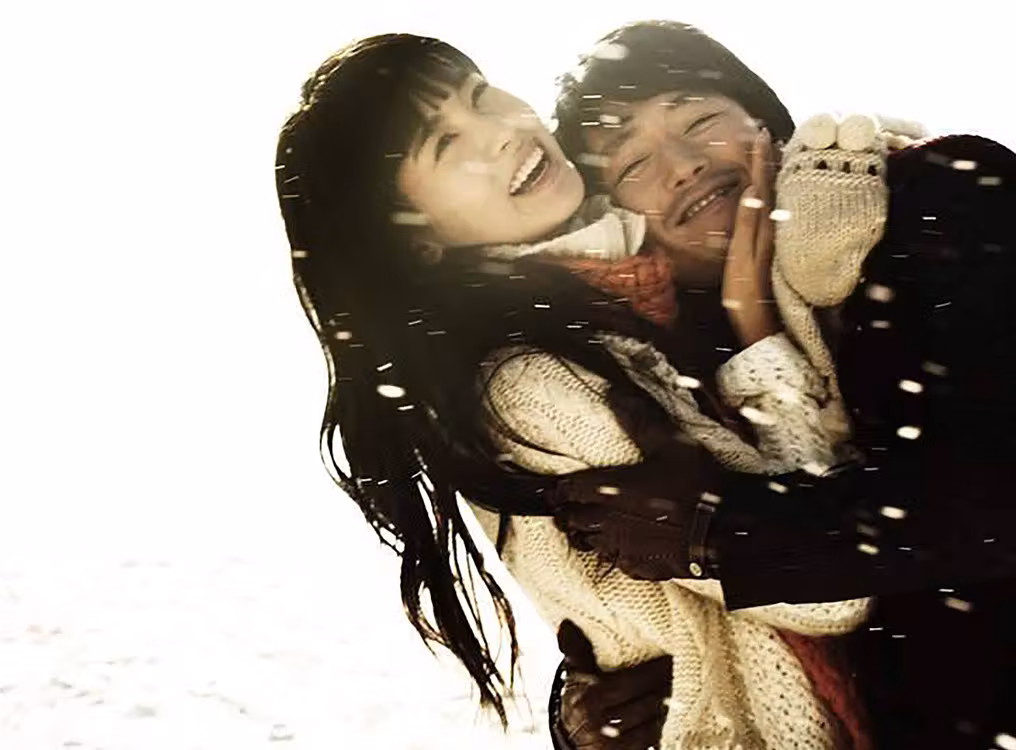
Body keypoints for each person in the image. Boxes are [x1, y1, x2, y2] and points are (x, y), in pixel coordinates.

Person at [276, 33, 876, 749]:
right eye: (446, 142)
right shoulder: (530, 385)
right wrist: (756, 335)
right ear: (417, 239)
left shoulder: (628, 292)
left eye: (479, 95)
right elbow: (832, 591)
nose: (501, 131)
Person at [542, 20, 1016, 749]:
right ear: (617, 220)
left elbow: (988, 494)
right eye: (632, 162)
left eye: (699, 119)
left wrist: (719, 533)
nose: (683, 166)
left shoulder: (936, 196)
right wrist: (586, 712)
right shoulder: (659, 366)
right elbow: (619, 588)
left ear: (766, 121)